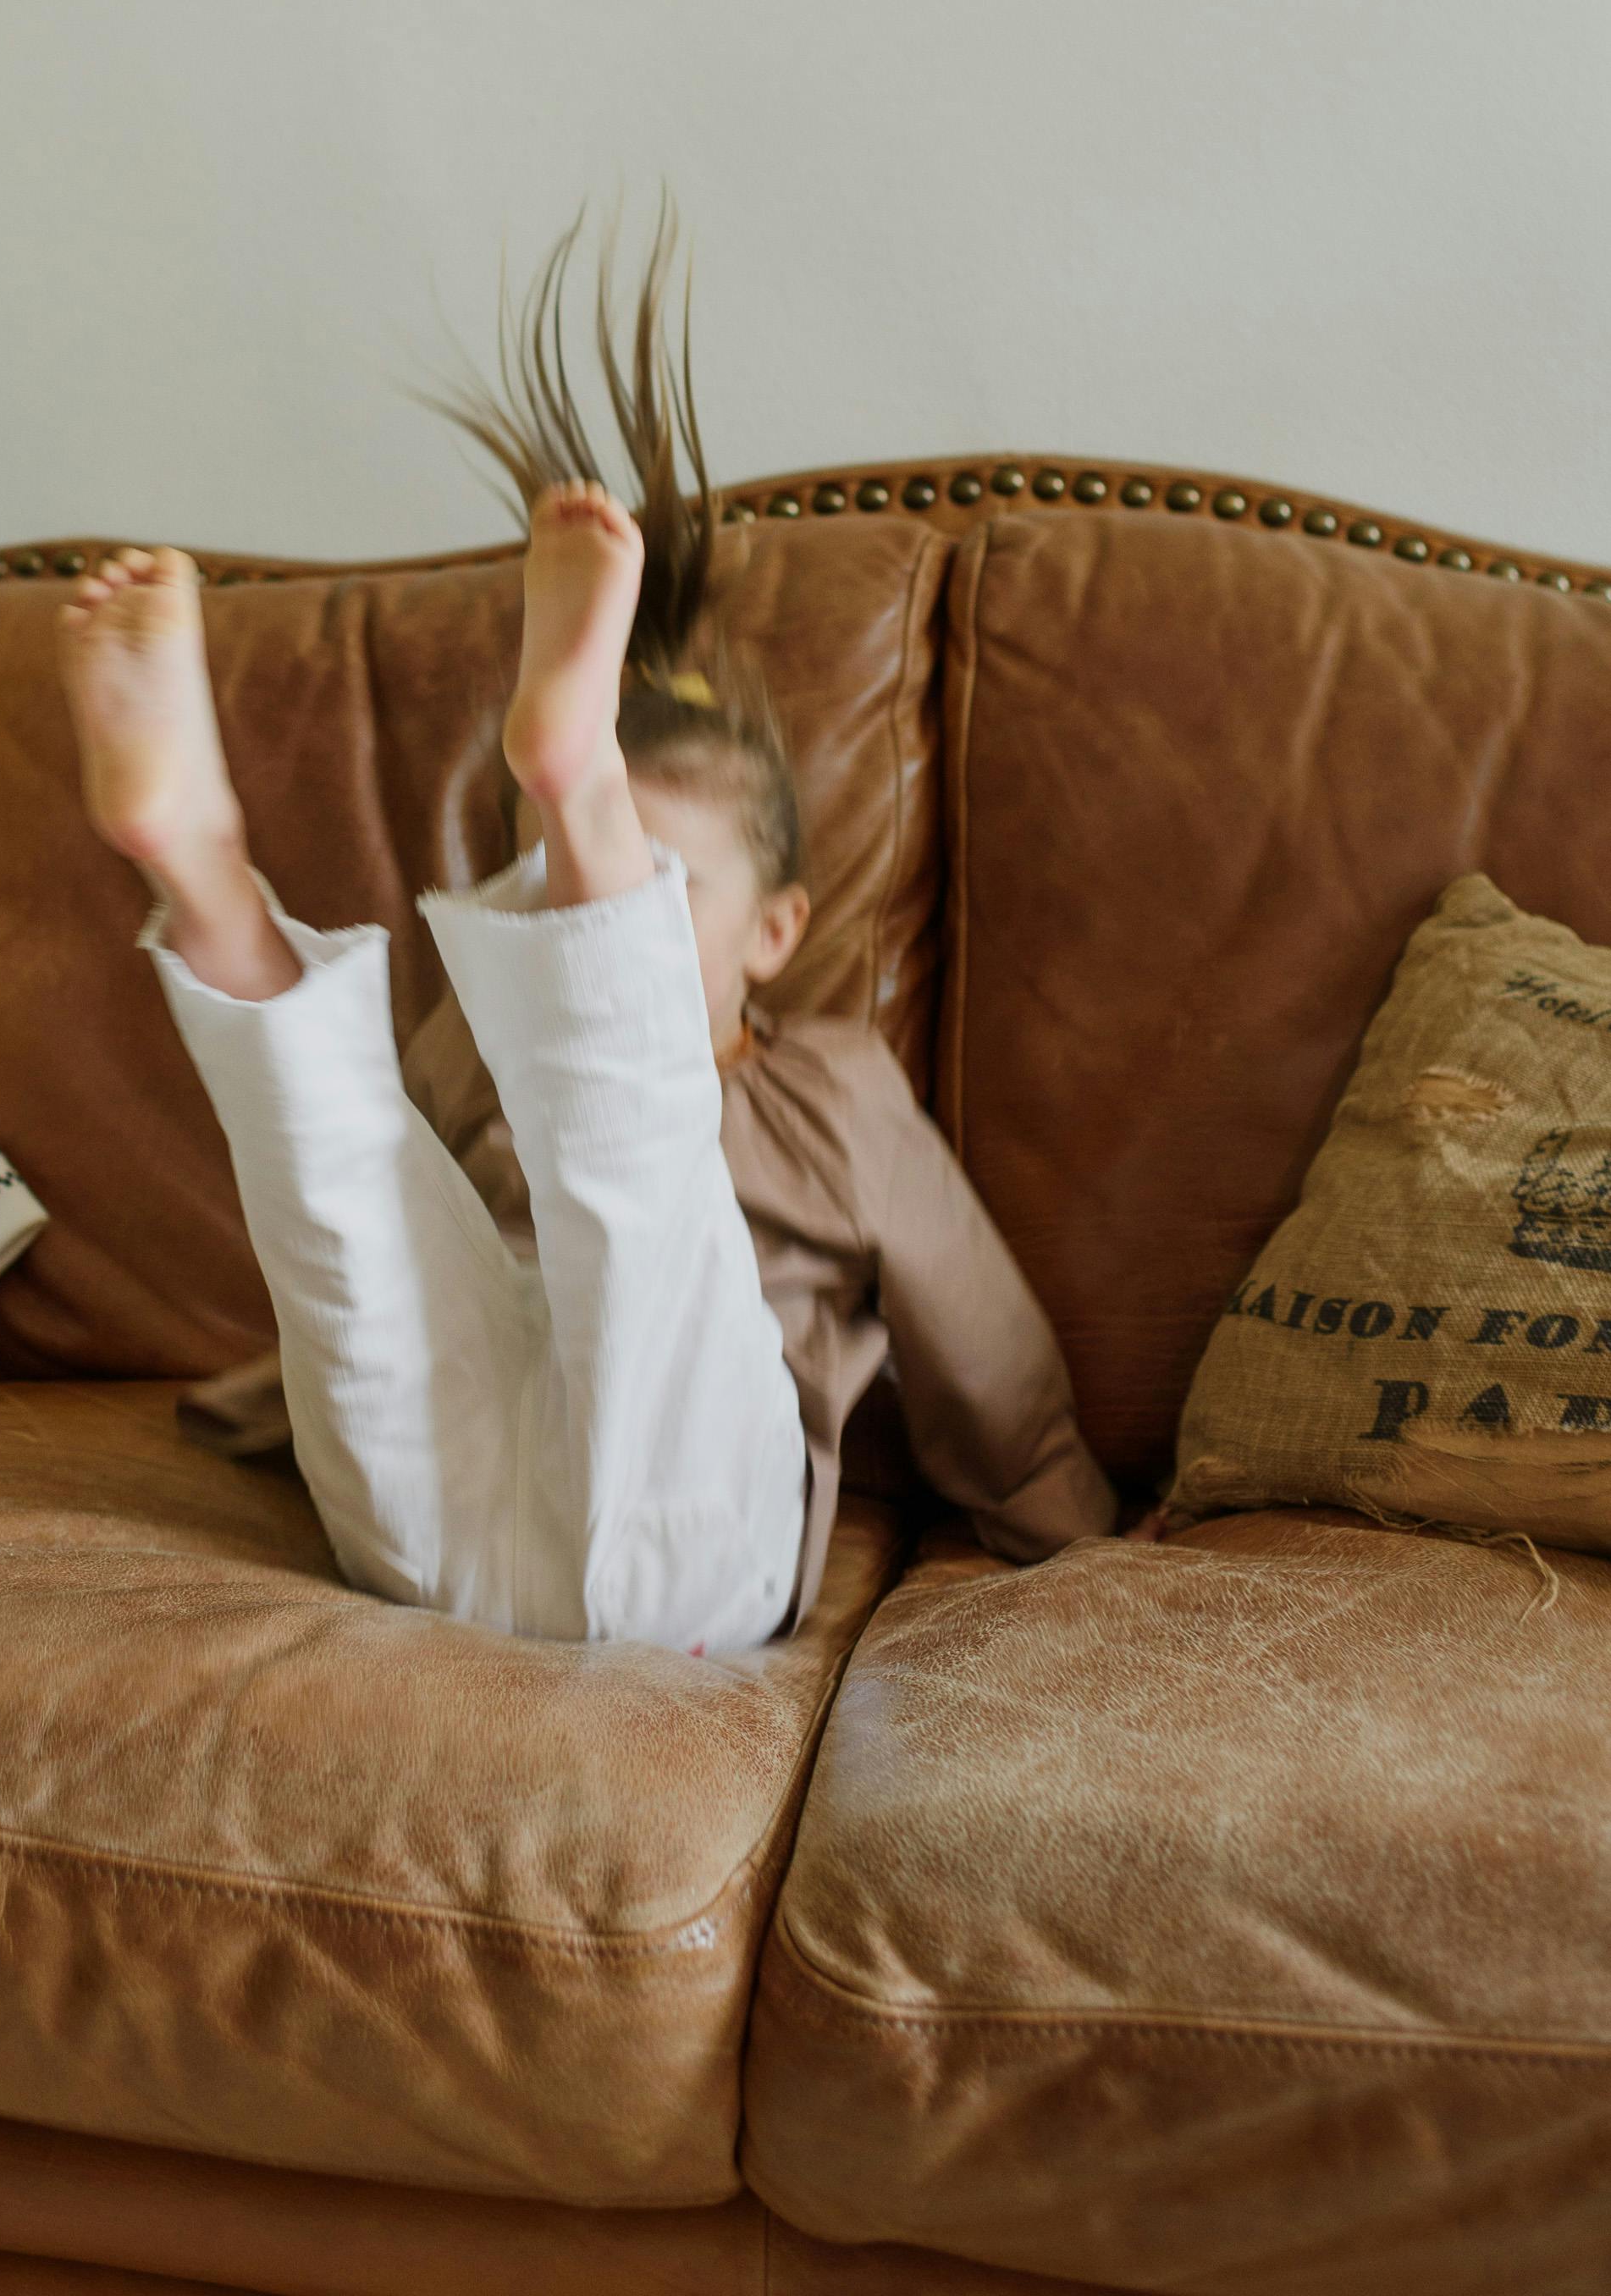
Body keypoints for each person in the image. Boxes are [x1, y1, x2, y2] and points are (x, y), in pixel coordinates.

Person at [58, 221, 1112, 1650]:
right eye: (561, 867)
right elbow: (368, 1216)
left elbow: (977, 1337)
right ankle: (206, 871)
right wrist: (265, 1396)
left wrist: (1066, 1528)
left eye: (650, 879)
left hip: (684, 1537)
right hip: (445, 1531)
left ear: (777, 931)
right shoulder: (484, 1044)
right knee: (370, 1179)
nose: (593, 914)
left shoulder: (830, 1088)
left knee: (637, 1181)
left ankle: (256, 865)